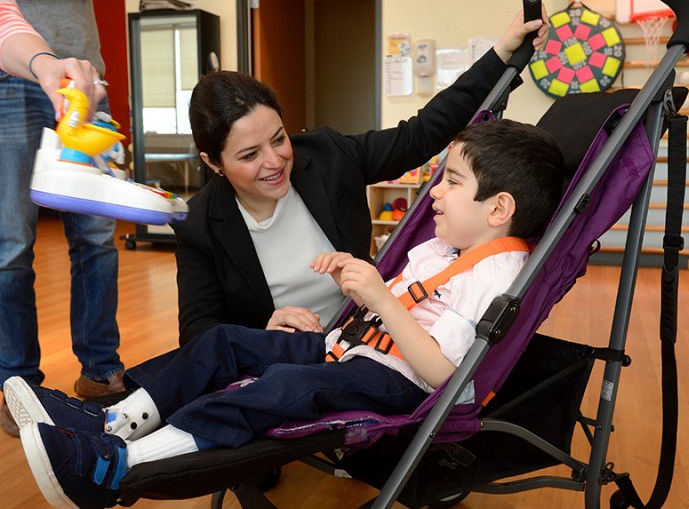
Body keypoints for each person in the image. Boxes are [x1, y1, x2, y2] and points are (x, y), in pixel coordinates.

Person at [5, 118, 565, 508]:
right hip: (347, 346)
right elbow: (395, 298)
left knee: (282, 386)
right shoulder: (441, 248)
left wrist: (381, 299)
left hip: (395, 380)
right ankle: (112, 420)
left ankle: (118, 465)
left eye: (453, 181)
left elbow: (449, 377)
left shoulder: (494, 275)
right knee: (225, 341)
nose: (436, 193)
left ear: (499, 208)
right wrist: (360, 277)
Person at [173, 8, 550, 345]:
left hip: (363, 334)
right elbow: (197, 330)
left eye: (279, 139)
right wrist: (262, 330)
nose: (275, 161)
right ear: (213, 162)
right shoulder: (200, 224)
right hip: (281, 354)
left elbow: (420, 134)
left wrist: (503, 53)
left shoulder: (327, 155)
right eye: (250, 155)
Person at [0, 0, 130, 438]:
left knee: (97, 236)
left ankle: (100, 370)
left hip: (85, 75)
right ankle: (18, 385)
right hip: (8, 81)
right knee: (11, 244)